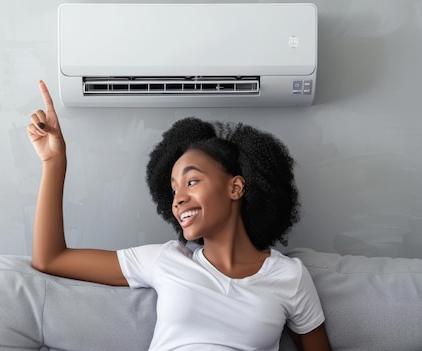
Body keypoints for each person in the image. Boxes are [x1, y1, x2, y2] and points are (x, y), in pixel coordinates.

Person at [27, 80, 331, 351]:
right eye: (173, 190)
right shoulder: (166, 260)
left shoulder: (289, 277)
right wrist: (55, 162)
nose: (179, 199)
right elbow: (50, 258)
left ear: (235, 187)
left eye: (192, 181)